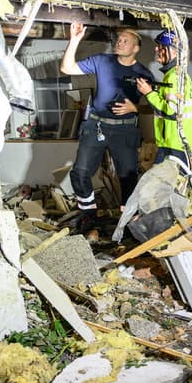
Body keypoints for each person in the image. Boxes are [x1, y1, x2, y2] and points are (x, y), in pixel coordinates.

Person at [60, 24, 154, 233]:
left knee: (128, 177)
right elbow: (67, 68)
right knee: (80, 171)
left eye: (125, 41)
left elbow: (154, 105)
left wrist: (135, 107)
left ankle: (128, 222)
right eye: (118, 40)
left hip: (125, 130)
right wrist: (74, 40)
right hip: (97, 126)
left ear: (136, 48)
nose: (119, 43)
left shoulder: (143, 73)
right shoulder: (101, 61)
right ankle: (88, 215)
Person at [136, 30, 192, 169]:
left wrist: (148, 93)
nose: (156, 49)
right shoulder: (173, 75)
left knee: (170, 187)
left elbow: (171, 112)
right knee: (163, 186)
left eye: (161, 46)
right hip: (174, 143)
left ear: (176, 52)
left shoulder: (175, 76)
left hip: (177, 145)